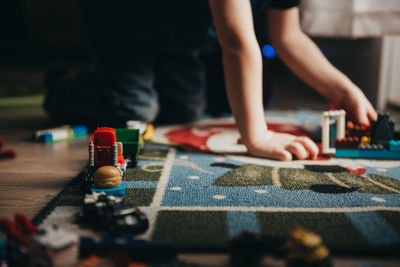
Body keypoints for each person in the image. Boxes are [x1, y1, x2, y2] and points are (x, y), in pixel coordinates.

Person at [44, 0, 377, 161]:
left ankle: (133, 76)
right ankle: (62, 87)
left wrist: (342, 88)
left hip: (179, 35)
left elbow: (288, 37)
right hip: (120, 17)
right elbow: (234, 41)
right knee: (136, 109)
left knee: (184, 110)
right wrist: (257, 136)